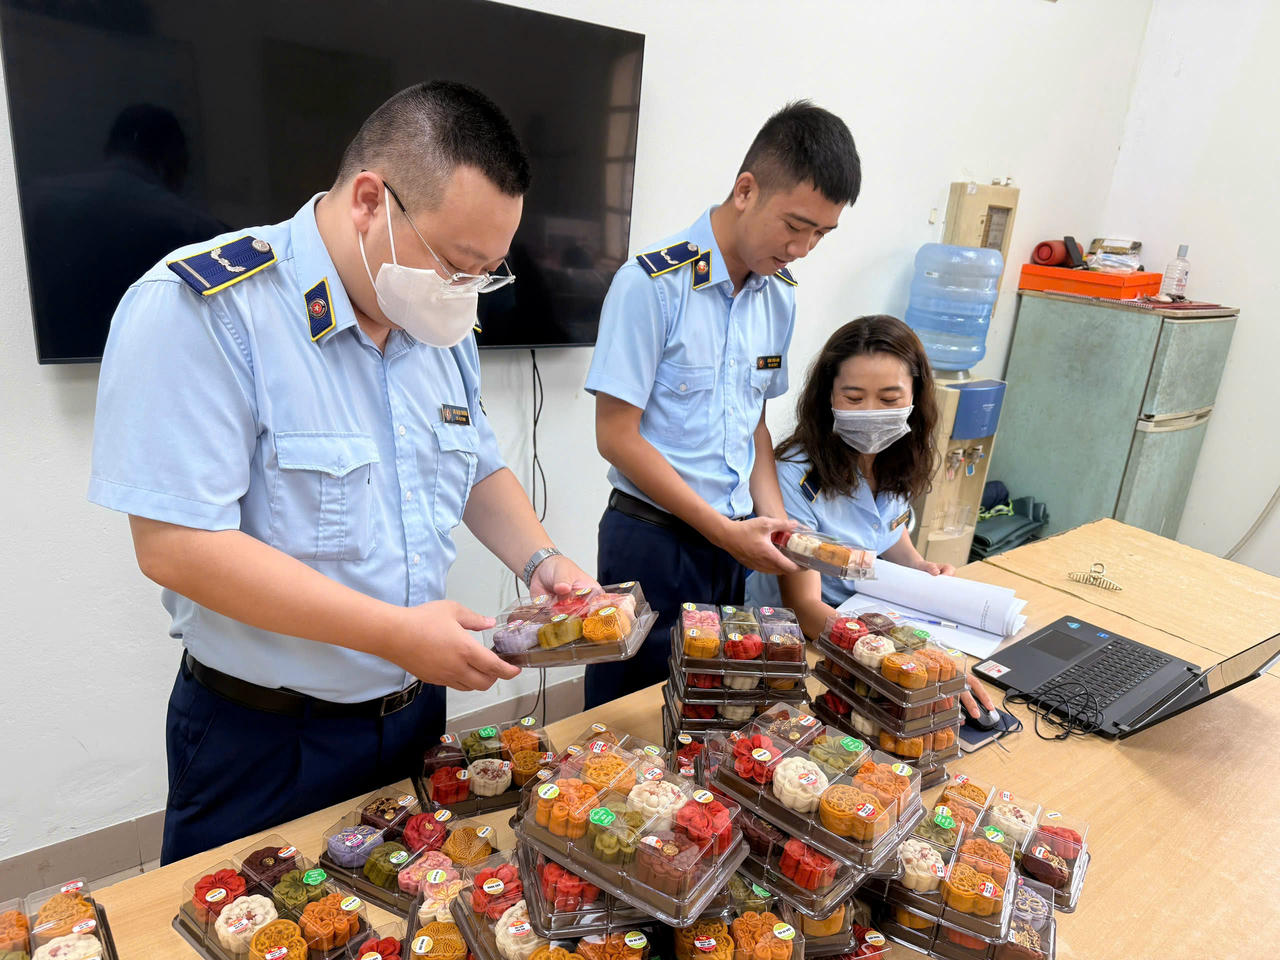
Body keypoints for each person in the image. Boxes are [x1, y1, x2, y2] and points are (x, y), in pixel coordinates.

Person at [88, 81, 595, 863]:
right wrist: (396, 632)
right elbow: (178, 546)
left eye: (487, 272)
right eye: (459, 264)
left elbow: (477, 463)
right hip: (264, 738)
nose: (466, 293)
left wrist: (543, 560)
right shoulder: (209, 308)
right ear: (369, 201)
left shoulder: (434, 317)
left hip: (413, 715)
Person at [583, 101, 862, 708]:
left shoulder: (778, 297)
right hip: (652, 539)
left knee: (711, 706)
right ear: (746, 190)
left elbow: (753, 423)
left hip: (731, 544)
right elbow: (616, 436)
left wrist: (774, 519)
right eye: (795, 225)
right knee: (628, 714)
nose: (805, 247)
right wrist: (723, 530)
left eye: (821, 233)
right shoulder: (651, 284)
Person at [746, 315, 996, 718]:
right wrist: (907, 656)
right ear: (828, 396)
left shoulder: (898, 457)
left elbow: (889, 533)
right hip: (802, 643)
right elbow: (805, 608)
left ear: (915, 397)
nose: (871, 412)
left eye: (889, 399)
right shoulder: (793, 475)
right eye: (854, 397)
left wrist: (920, 567)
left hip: (870, 625)